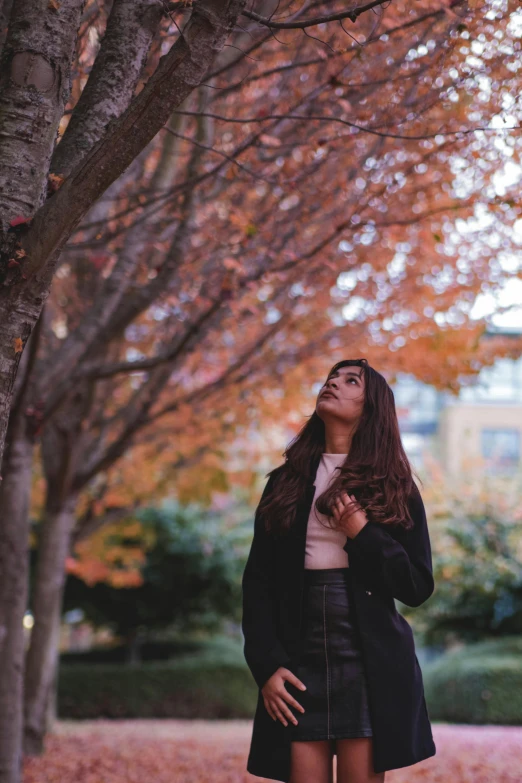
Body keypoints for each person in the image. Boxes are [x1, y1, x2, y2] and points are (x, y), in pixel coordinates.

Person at [242, 358, 436, 783]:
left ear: (371, 408)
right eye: (333, 377)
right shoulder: (285, 482)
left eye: (351, 381)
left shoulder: (395, 486)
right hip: (298, 661)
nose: (333, 383)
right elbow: (257, 583)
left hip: (368, 663)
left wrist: (362, 531)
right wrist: (267, 666)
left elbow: (417, 585)